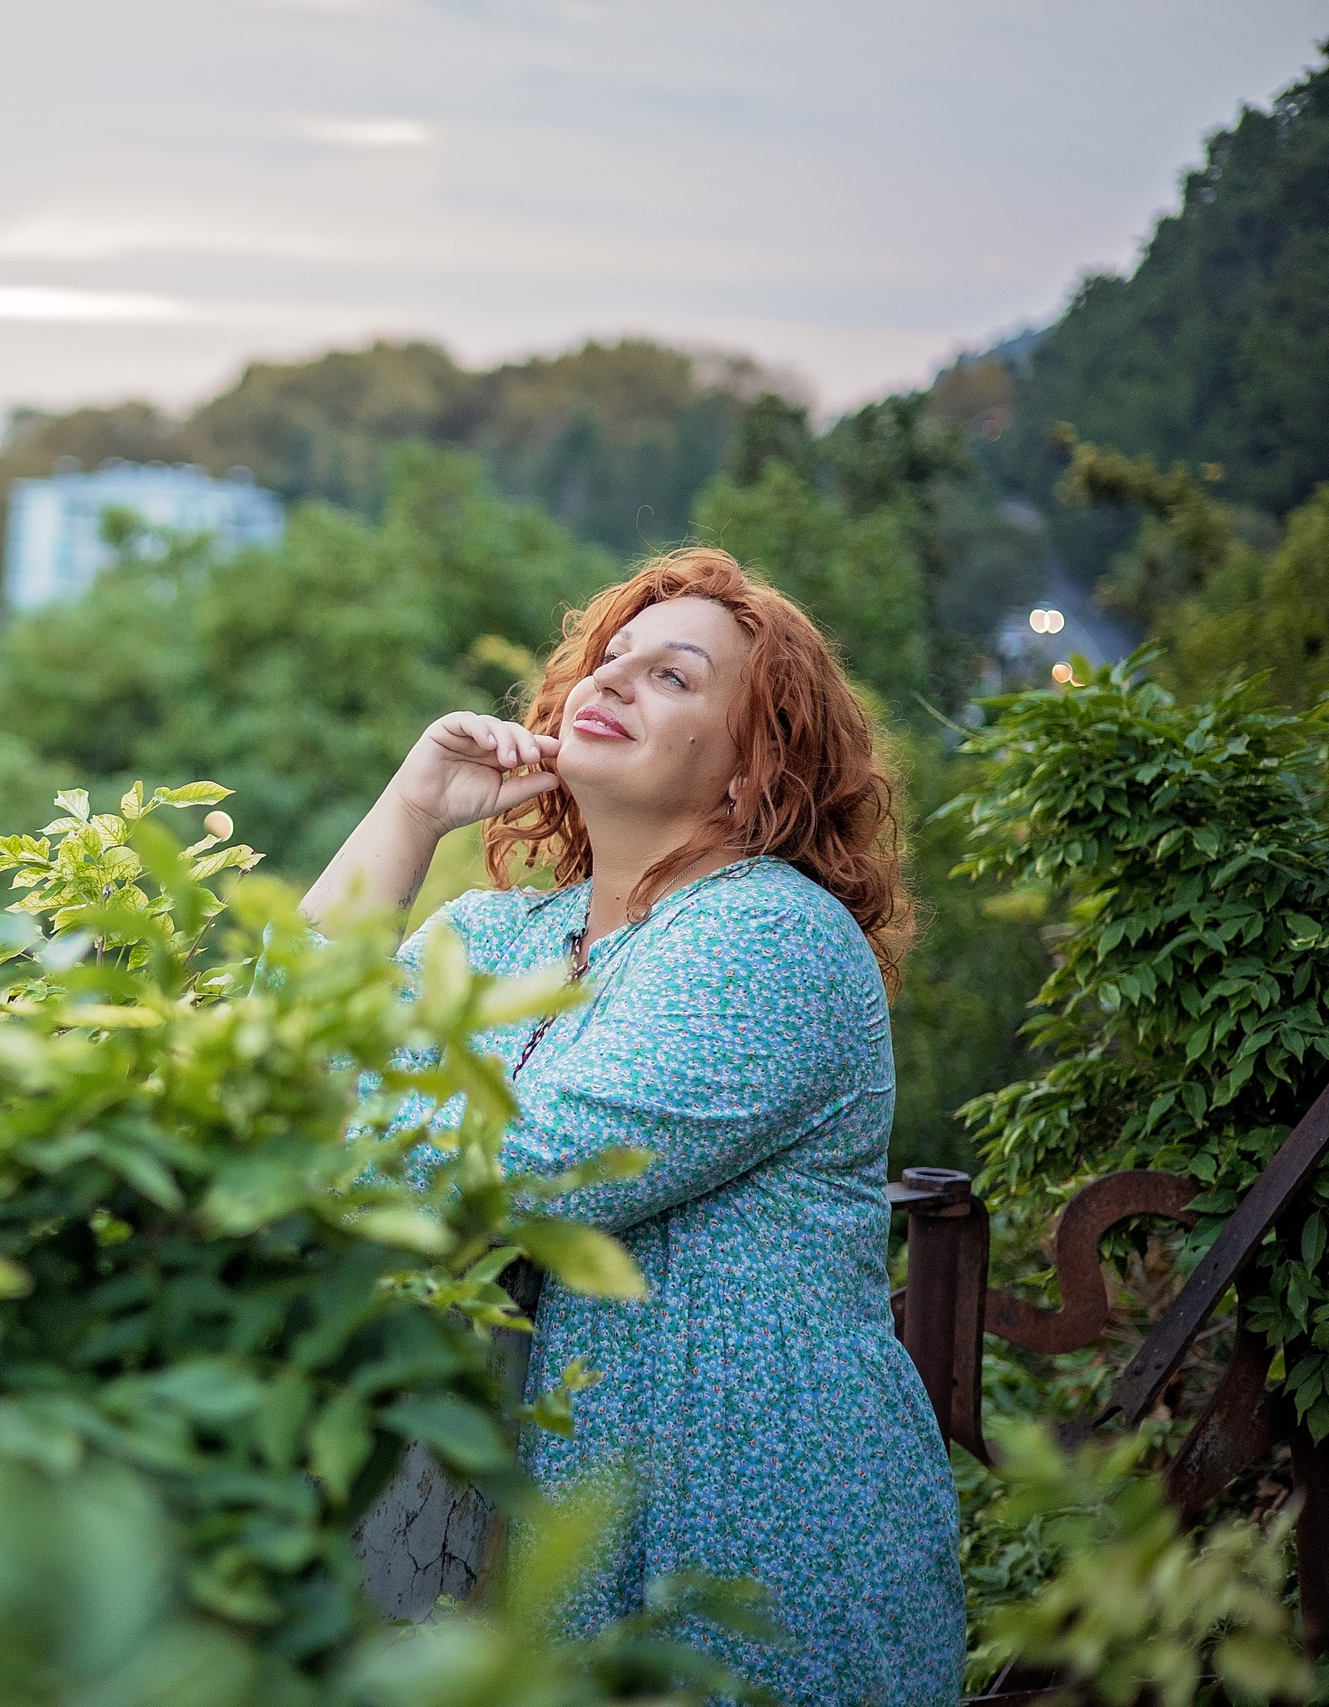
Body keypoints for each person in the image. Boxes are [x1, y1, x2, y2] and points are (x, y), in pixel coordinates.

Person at [302, 548, 963, 1704]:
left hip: (758, 1527)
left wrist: (343, 1100)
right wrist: (410, 810)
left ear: (756, 761)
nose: (607, 684)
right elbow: (277, 1056)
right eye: (606, 663)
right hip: (566, 1524)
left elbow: (520, 1169)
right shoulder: (501, 936)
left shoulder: (772, 938)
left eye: (671, 677)